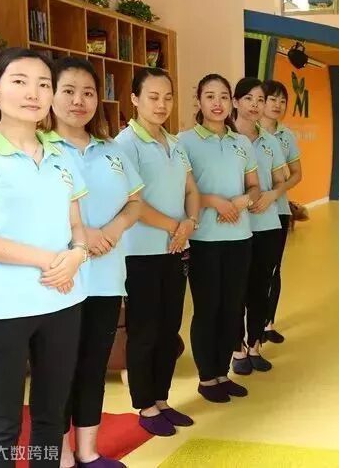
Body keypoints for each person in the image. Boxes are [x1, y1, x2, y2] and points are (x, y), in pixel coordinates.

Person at [0, 47, 88, 467]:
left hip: (63, 300)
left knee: (51, 418)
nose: (33, 93)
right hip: (2, 307)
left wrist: (77, 256)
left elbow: (77, 225)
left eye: (43, 84)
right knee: (1, 424)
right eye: (19, 81)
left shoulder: (60, 154)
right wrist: (47, 260)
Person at [43, 57, 142, 468]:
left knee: (93, 366)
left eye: (88, 93)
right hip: (59, 280)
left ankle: (88, 450)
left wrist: (112, 231)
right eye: (68, 91)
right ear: (50, 95)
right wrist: (85, 234)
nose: (78, 101)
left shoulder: (111, 150)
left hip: (105, 277)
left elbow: (135, 202)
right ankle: (62, 454)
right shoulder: (39, 148)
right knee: (57, 369)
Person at [115, 68, 201, 437]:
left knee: (168, 329)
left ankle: (162, 399)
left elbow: (191, 189)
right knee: (145, 331)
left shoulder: (175, 143)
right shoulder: (124, 145)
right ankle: (145, 405)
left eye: (167, 97)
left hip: (176, 249)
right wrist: (175, 228)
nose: (162, 104)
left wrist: (190, 222)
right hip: (141, 253)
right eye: (153, 97)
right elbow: (132, 202)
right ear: (135, 99)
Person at [178, 74, 260, 403]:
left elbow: (254, 187)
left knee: (232, 308)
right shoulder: (184, 142)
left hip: (240, 237)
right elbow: (181, 190)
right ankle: (206, 378)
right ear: (198, 101)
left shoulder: (242, 143)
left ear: (231, 102)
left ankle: (223, 373)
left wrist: (242, 202)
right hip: (203, 240)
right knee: (207, 309)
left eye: (223, 96)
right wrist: (213, 201)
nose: (217, 103)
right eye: (210, 96)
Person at [230, 78, 287, 375]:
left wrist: (271, 196)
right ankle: (236, 348)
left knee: (260, 287)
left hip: (266, 224)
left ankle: (254, 344)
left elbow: (280, 181)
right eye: (249, 99)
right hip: (233, 226)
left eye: (260, 100)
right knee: (236, 289)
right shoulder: (226, 138)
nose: (255, 105)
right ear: (236, 102)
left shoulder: (270, 141)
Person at [260, 80, 303, 344]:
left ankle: (268, 323)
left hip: (279, 210)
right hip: (251, 212)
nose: (277, 105)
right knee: (253, 270)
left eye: (282, 100)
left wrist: (277, 193)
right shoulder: (243, 132)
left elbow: (296, 173)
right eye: (272, 99)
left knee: (273, 268)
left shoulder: (286, 136)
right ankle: (249, 326)